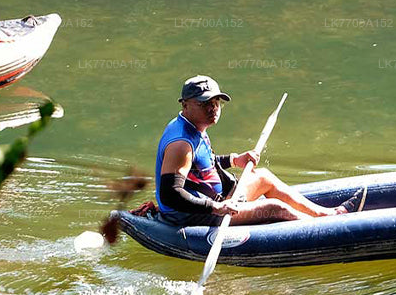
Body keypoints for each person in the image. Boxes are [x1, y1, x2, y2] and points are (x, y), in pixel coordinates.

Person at [155, 75, 367, 227]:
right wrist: (214, 207)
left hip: (216, 199)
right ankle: (328, 229)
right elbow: (170, 194)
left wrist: (234, 159)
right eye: (204, 104)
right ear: (185, 105)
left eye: (216, 102)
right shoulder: (181, 143)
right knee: (275, 207)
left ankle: (329, 214)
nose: (212, 109)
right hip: (189, 215)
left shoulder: (193, 126)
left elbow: (202, 164)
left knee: (263, 176)